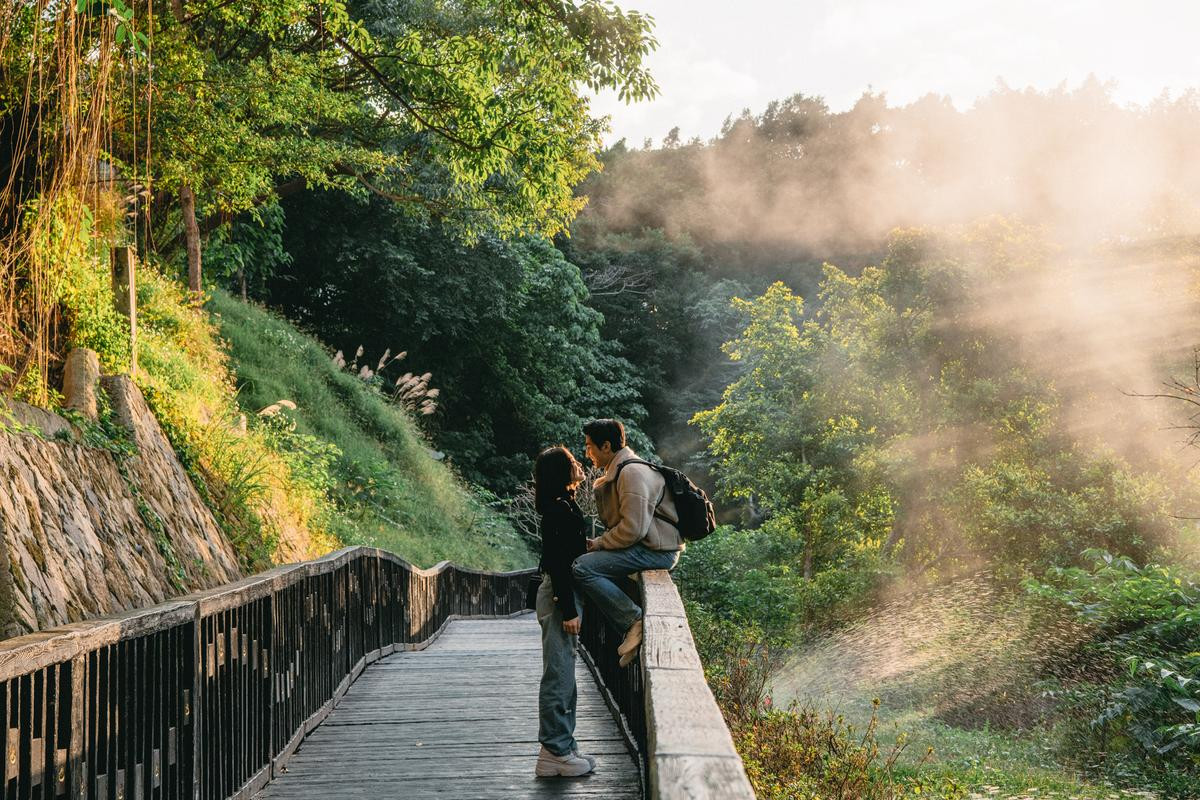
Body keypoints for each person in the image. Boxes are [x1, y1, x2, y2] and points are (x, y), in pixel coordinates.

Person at [572, 419, 683, 668]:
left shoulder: (631, 473)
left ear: (607, 446)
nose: (586, 452)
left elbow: (632, 529)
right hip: (651, 547)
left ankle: (634, 620)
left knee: (583, 567)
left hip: (657, 552)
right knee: (588, 565)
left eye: (590, 447)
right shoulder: (625, 469)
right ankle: (630, 631)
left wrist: (601, 543)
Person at [532, 446, 598, 778]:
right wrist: (568, 609)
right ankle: (553, 752)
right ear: (562, 472)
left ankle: (564, 746)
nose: (578, 464)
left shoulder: (563, 505)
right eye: (571, 461)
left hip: (563, 595)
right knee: (558, 674)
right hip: (560, 597)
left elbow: (566, 552)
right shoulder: (558, 510)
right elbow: (558, 564)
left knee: (566, 673)